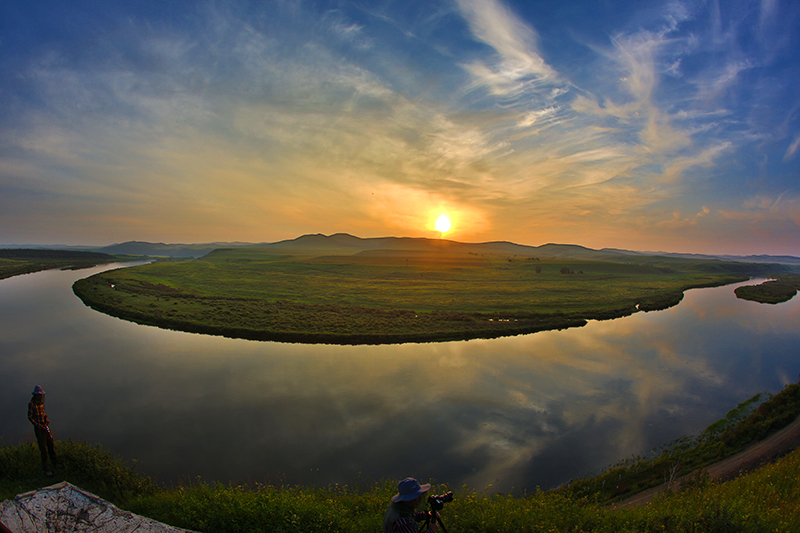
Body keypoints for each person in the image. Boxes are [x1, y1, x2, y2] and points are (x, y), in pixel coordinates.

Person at [27, 385, 58, 476]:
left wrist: (46, 418)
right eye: (39, 395)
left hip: (45, 426)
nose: (41, 397)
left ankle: (55, 463)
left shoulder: (41, 403)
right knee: (43, 448)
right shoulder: (31, 404)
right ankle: (45, 469)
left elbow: (43, 414)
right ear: (36, 395)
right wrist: (38, 425)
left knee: (51, 444)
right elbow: (30, 417)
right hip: (39, 429)